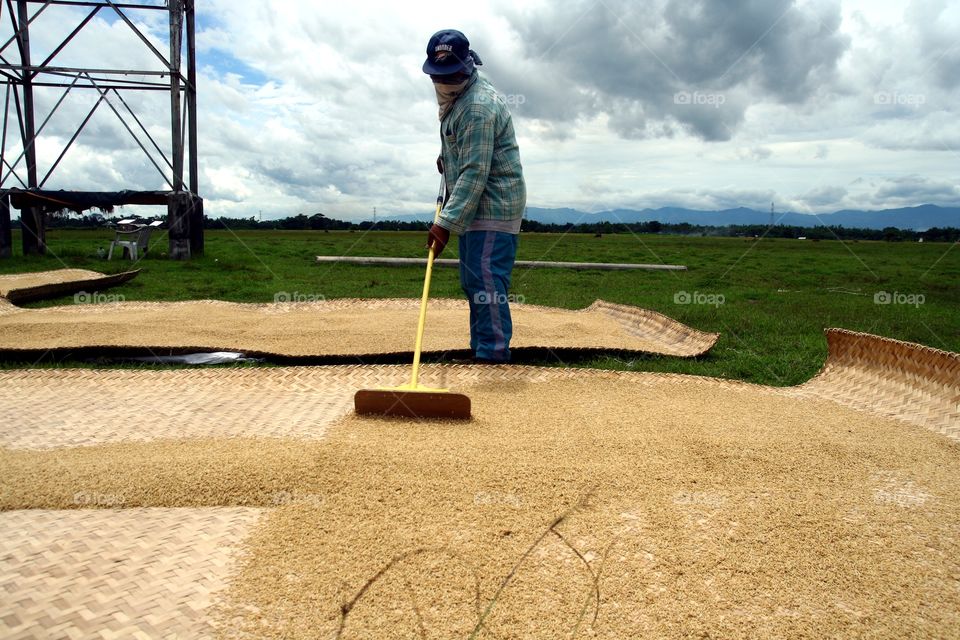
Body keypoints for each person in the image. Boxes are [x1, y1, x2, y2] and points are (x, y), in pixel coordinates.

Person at [422, 29, 526, 363]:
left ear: (467, 67)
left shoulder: (477, 107)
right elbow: (464, 152)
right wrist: (447, 157)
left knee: (485, 281)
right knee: (473, 280)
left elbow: (474, 172)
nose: (445, 80)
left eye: (452, 74)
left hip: (494, 204)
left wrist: (444, 224)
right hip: (475, 205)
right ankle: (481, 347)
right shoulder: (458, 100)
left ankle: (493, 354)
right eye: (440, 75)